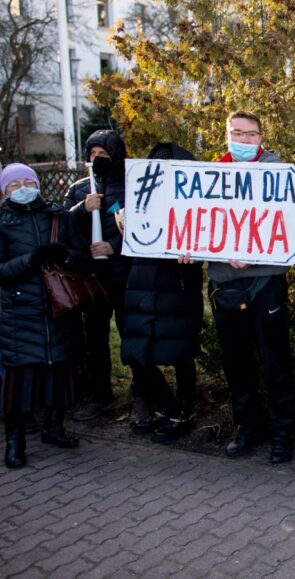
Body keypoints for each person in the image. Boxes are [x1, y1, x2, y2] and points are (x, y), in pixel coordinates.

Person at [185, 111, 295, 464]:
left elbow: (290, 229)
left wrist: (254, 253)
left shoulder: (281, 176)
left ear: (261, 138)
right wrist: (187, 247)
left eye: (251, 134)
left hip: (264, 282)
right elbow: (194, 224)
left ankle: (283, 430)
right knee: (236, 364)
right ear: (226, 136)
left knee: (274, 361)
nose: (244, 140)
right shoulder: (208, 177)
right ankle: (248, 426)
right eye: (237, 133)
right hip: (224, 285)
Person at [1, 164, 88, 468]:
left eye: (28, 181)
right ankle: (15, 442)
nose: (23, 187)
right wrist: (30, 260)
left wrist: (64, 255)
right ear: (4, 190)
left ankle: (55, 427)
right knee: (20, 381)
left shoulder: (57, 215)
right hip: (19, 314)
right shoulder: (2, 220)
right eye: (15, 184)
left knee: (60, 372)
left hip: (59, 308)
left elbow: (82, 257)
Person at [118, 143, 205, 443]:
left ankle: (183, 412)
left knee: (181, 352)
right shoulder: (139, 197)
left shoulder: (197, 201)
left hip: (178, 284)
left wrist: (193, 255)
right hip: (143, 282)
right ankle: (167, 405)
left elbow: (211, 237)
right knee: (138, 351)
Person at [64, 130, 132, 422]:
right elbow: (64, 227)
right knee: (95, 339)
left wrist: (114, 247)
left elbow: (145, 226)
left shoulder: (132, 184)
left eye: (104, 155)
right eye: (93, 155)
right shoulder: (79, 189)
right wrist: (82, 209)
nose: (98, 160)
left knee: (132, 333)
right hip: (93, 277)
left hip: (124, 274)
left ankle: (143, 393)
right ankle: (100, 394)